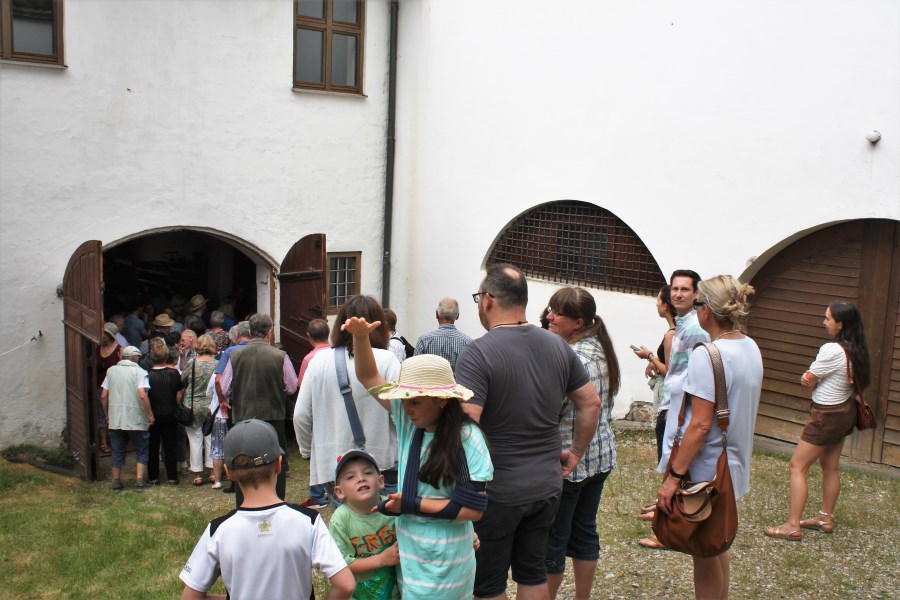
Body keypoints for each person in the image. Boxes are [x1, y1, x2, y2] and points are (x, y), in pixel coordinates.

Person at [455, 263, 601, 600]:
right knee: (532, 573)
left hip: (498, 490)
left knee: (488, 585)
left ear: (488, 300)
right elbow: (590, 403)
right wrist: (575, 452)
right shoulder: (557, 345)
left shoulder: (478, 353)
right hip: (547, 485)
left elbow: (466, 424)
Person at [344, 316, 493, 600]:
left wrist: (411, 504)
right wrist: (361, 338)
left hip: (447, 564)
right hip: (411, 559)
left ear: (440, 399)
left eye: (414, 401)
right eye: (403, 399)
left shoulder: (468, 438)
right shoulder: (409, 421)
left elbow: (473, 510)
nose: (406, 408)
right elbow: (368, 377)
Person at [656, 275, 763, 600]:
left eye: (697, 303)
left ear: (706, 311)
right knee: (715, 543)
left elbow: (700, 426)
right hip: (731, 463)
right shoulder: (750, 346)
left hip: (706, 470)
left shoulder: (708, 355)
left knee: (702, 551)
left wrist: (672, 479)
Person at [179, 419, 355, 600]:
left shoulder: (218, 530)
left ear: (228, 472)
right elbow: (346, 585)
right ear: (279, 465)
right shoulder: (308, 521)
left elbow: (190, 596)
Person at [765, 301, 871, 541]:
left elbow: (808, 379)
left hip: (826, 416)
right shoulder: (856, 349)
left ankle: (792, 525)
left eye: (827, 319)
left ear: (840, 324)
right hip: (845, 412)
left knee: (797, 466)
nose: (824, 323)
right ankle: (825, 517)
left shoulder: (832, 350)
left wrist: (805, 378)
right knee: (830, 466)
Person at [544, 287, 620, 600]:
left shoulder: (571, 358)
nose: (549, 316)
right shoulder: (601, 349)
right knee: (585, 531)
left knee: (554, 539)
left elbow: (553, 410)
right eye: (550, 309)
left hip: (569, 460)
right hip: (600, 456)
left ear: (577, 322)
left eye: (557, 312)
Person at [295, 296, 400, 507]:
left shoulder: (318, 361)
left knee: (345, 531)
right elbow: (401, 414)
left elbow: (301, 416)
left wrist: (308, 451)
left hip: (333, 462)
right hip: (381, 463)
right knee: (386, 531)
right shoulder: (387, 360)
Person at [650, 270, 710, 522]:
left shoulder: (696, 328)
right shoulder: (684, 323)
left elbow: (695, 371)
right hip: (672, 401)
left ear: (696, 294)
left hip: (682, 405)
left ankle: (670, 520)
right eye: (674, 289)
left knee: (677, 460)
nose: (678, 294)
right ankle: (663, 510)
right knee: (668, 456)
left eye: (685, 289)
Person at [220, 313, 298, 506]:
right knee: (275, 457)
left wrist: (229, 399)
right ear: (269, 333)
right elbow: (292, 386)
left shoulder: (235, 355)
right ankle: (277, 500)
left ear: (250, 332)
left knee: (242, 458)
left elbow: (223, 386)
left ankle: (244, 500)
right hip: (273, 414)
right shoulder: (280, 356)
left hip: (243, 415)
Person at [328, 449, 400, 599]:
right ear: (339, 491)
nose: (361, 478)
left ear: (381, 481)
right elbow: (342, 565)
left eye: (367, 473)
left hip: (397, 591)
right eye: (350, 477)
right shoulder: (340, 520)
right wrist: (381, 559)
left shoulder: (393, 508)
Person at [100, 346, 153, 492]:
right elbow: (142, 395)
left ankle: (116, 482)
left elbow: (104, 395)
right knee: (141, 449)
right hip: (135, 418)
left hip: (116, 418)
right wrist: (149, 414)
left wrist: (107, 414)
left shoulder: (111, 371)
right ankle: (140, 482)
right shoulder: (140, 372)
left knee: (117, 450)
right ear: (136, 358)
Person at [296, 318, 333, 509]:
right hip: (335, 410)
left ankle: (318, 495)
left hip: (317, 410)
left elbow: (302, 388)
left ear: (308, 336)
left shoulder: (310, 359)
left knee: (317, 454)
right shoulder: (338, 354)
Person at [213, 320, 251, 494]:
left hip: (235, 402)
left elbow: (219, 380)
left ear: (236, 336)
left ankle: (236, 482)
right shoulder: (262, 349)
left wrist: (222, 400)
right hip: (256, 400)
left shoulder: (230, 352)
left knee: (235, 442)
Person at [146, 339, 184, 485]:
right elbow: (181, 387)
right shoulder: (173, 374)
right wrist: (177, 397)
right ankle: (172, 477)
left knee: (153, 446)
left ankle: (153, 476)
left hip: (153, 414)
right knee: (170, 446)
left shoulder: (147, 375)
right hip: (170, 413)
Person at [182, 333, 218, 486]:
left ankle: (197, 473)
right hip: (210, 405)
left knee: (194, 438)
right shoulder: (217, 364)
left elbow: (183, 379)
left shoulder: (192, 363)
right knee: (211, 438)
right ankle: (211, 471)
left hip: (193, 406)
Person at [413, 297, 473, 371]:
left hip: (430, 382)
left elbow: (414, 370)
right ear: (457, 316)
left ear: (437, 314)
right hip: (457, 382)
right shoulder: (468, 343)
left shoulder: (423, 340)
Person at [95, 322, 123, 455]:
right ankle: (103, 441)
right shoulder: (97, 348)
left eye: (105, 334)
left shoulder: (119, 350)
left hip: (115, 388)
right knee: (102, 415)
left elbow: (124, 369)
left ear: (110, 335)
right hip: (100, 387)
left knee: (116, 414)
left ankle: (117, 440)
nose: (102, 336)